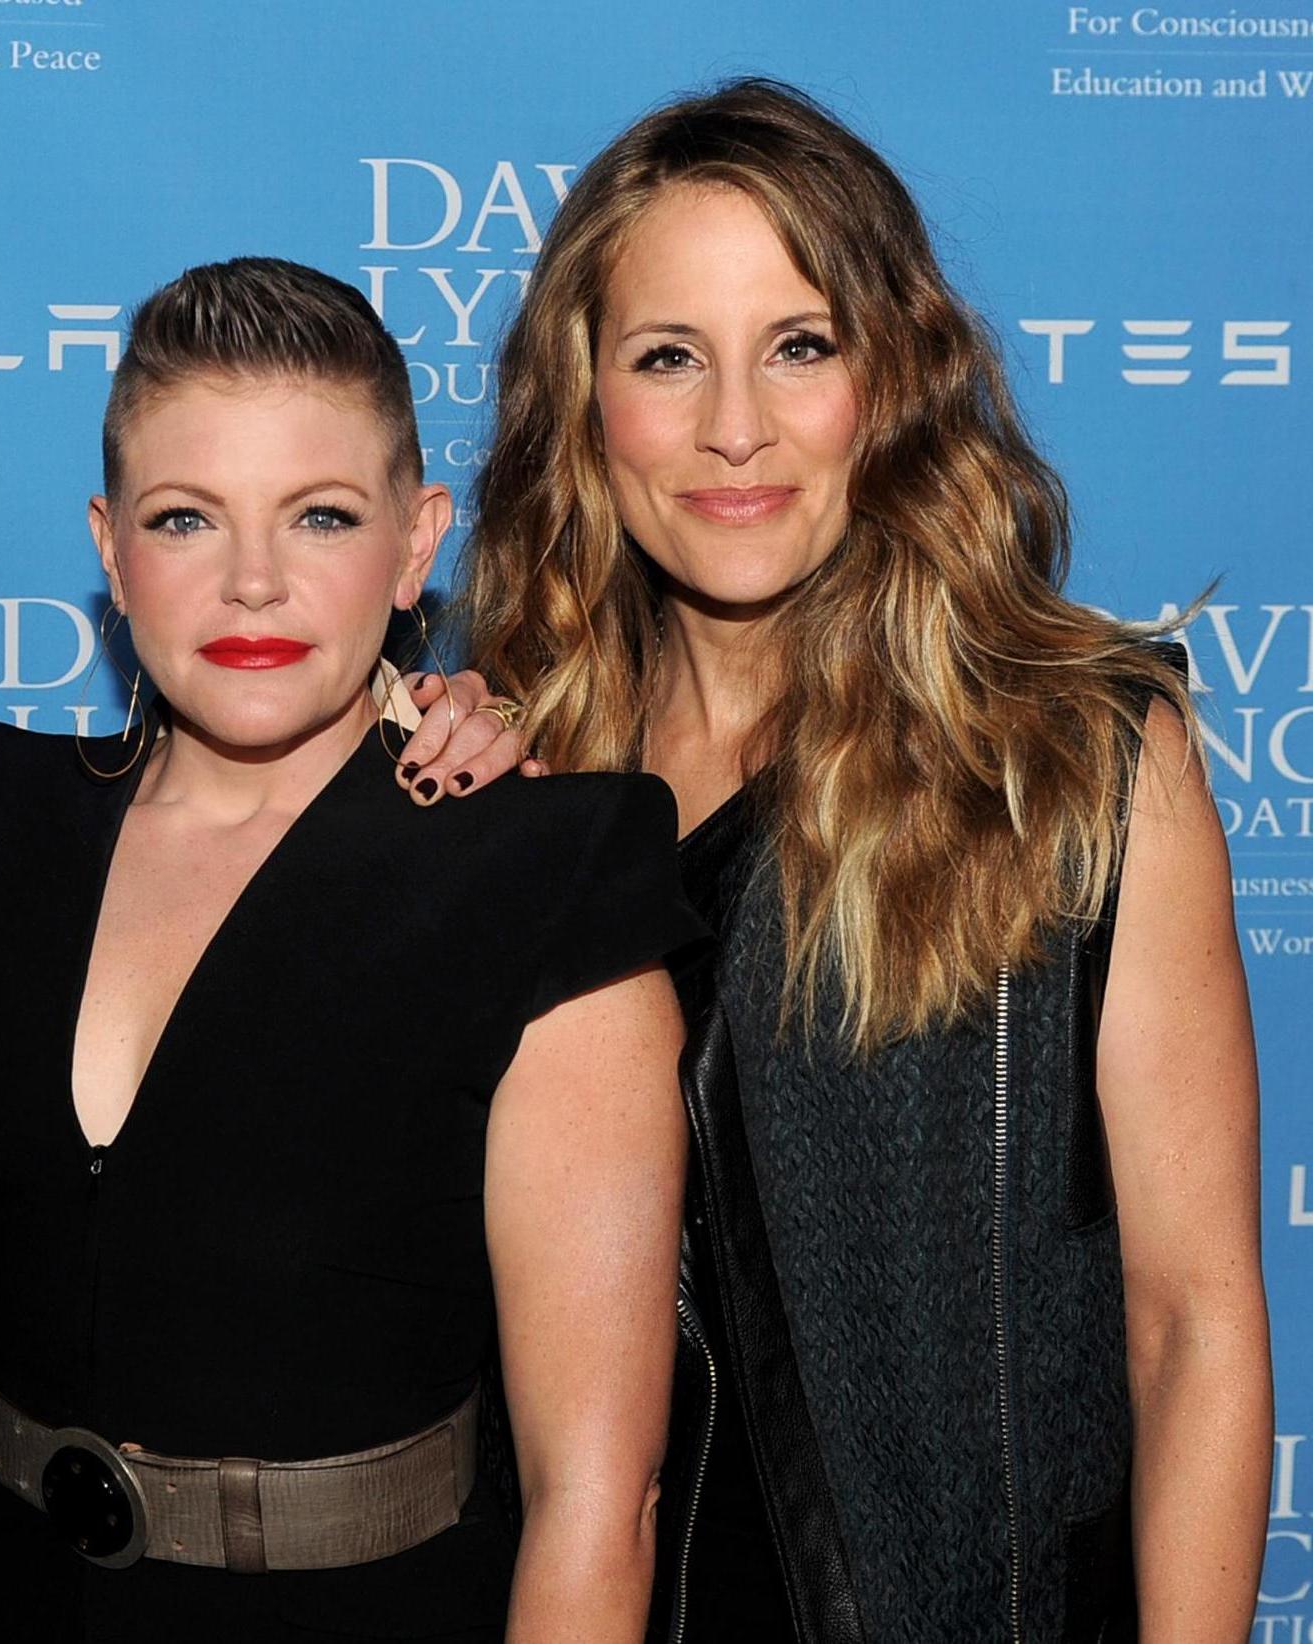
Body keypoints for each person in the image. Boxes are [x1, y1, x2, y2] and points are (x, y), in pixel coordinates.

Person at [457, 78, 1270, 1643]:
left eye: (800, 348)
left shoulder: (1073, 756)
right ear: (586, 405)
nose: (735, 428)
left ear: (889, 379)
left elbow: (1194, 1329)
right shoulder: (515, 783)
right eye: (668, 358)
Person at [0, 257, 705, 1644]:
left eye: (321, 516)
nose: (255, 582)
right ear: (109, 547)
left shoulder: (542, 874)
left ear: (417, 543)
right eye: (186, 518)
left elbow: (597, 1499)